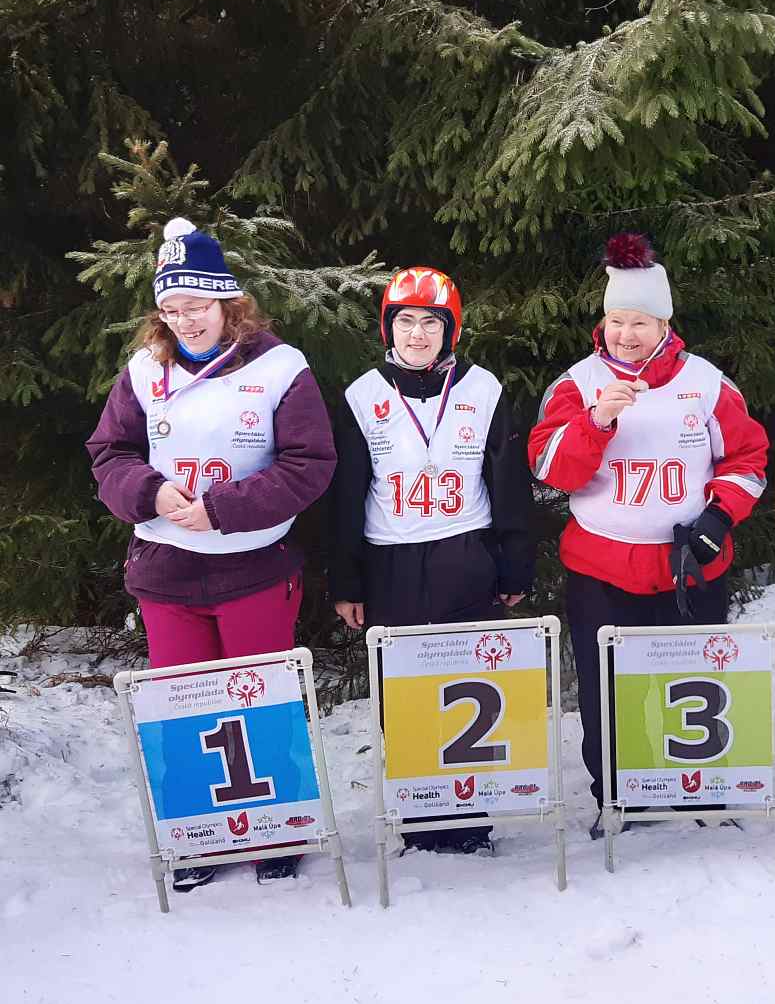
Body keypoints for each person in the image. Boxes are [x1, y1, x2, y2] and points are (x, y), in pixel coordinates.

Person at [86, 217, 336, 889]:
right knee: (181, 705)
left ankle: (279, 829)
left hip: (252, 564)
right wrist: (149, 491)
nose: (185, 321)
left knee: (264, 701)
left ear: (228, 302)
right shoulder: (145, 370)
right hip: (167, 568)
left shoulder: (281, 368)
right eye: (171, 309)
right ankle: (197, 836)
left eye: (196, 305)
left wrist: (223, 509)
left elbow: (310, 464)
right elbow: (109, 453)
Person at [528, 233, 769, 837]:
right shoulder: (577, 384)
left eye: (639, 322)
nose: (626, 335)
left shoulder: (706, 382)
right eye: (616, 321)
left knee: (692, 680)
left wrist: (718, 518)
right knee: (607, 690)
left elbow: (747, 459)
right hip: (601, 568)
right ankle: (617, 796)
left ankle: (701, 789)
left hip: (689, 565)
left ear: (664, 324)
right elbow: (549, 468)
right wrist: (597, 420)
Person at [329, 266, 534, 855]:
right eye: (406, 322)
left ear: (451, 330)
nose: (418, 335)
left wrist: (515, 564)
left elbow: (508, 483)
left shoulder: (483, 390)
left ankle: (468, 819)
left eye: (431, 323)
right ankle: (420, 818)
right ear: (388, 328)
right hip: (390, 559)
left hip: (463, 553)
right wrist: (345, 580)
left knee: (466, 683)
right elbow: (346, 494)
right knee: (406, 691)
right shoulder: (362, 395)